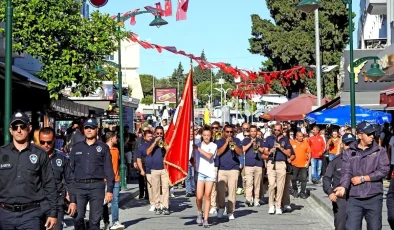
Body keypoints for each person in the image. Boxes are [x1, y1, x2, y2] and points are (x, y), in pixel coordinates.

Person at [0, 112, 58, 229]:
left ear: (29, 128)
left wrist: (53, 212)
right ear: (10, 130)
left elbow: (49, 184)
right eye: (15, 127)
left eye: (22, 127)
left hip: (31, 214)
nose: (19, 130)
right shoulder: (1, 153)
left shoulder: (40, 154)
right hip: (4, 214)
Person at [335, 122, 390, 230]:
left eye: (373, 133)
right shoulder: (349, 152)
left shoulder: (380, 151)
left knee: (375, 227)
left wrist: (363, 178)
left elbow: (384, 170)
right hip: (354, 197)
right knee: (351, 227)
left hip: (374, 196)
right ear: (360, 135)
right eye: (369, 134)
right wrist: (343, 186)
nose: (372, 136)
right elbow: (346, 171)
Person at [69, 118, 115, 230]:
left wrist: (109, 190)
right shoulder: (76, 148)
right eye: (87, 128)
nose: (89, 130)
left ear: (97, 129)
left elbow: (109, 169)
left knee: (94, 221)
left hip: (96, 187)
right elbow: (70, 170)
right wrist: (69, 190)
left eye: (92, 128)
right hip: (79, 187)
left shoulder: (103, 147)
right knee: (78, 218)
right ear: (83, 129)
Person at [39, 127, 77, 230]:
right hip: (38, 204)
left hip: (57, 203)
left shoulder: (61, 159)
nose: (46, 145)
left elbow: (70, 180)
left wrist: (73, 201)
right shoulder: (33, 158)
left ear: (54, 141)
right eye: (42, 142)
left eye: (49, 142)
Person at [323, 133, 356, 230]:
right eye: (347, 144)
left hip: (356, 197)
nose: (349, 146)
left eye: (352, 144)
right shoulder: (336, 161)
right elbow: (326, 178)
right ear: (342, 145)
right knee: (340, 225)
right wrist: (329, 192)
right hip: (341, 198)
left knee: (354, 226)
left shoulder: (360, 159)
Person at [264, 123, 292, 215]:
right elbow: (264, 151)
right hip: (271, 163)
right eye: (275, 130)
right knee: (271, 185)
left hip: (281, 163)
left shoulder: (286, 140)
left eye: (278, 130)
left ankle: (278, 206)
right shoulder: (269, 139)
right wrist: (270, 151)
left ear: (281, 130)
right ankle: (271, 205)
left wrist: (280, 147)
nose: (276, 131)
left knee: (280, 186)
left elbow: (289, 153)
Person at [216, 124, 243, 220]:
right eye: (227, 132)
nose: (229, 133)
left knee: (232, 191)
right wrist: (226, 144)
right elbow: (218, 153)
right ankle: (221, 208)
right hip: (222, 169)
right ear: (224, 132)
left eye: (231, 132)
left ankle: (231, 211)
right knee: (220, 191)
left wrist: (233, 144)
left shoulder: (237, 141)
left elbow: (240, 153)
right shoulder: (219, 141)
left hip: (234, 168)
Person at [194, 126, 217, 228]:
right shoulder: (197, 145)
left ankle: (206, 219)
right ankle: (199, 212)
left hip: (210, 173)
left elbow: (209, 156)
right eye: (204, 135)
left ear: (211, 135)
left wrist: (198, 149)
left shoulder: (213, 145)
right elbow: (192, 158)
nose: (206, 137)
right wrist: (193, 162)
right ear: (202, 136)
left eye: (208, 135)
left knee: (207, 196)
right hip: (200, 173)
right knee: (199, 197)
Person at [145, 126, 170, 215]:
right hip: (154, 169)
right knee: (155, 189)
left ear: (163, 134)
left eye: (161, 133)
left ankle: (165, 206)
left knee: (165, 188)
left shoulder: (165, 141)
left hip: (164, 169)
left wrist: (164, 144)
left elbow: (170, 151)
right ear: (155, 134)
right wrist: (155, 142)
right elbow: (147, 152)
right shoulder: (151, 142)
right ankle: (157, 206)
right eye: (157, 133)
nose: (159, 135)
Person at [104, 132, 125, 230]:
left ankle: (115, 221)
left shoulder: (116, 149)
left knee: (115, 201)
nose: (117, 139)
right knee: (103, 202)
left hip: (116, 179)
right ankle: (106, 221)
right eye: (116, 137)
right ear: (111, 138)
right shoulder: (103, 149)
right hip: (105, 180)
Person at [242, 125, 266, 207]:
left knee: (257, 183)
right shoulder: (246, 140)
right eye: (251, 131)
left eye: (254, 131)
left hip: (258, 164)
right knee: (249, 182)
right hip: (249, 164)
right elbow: (243, 150)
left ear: (256, 132)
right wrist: (250, 143)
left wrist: (256, 145)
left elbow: (263, 151)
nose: (253, 133)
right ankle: (249, 199)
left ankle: (257, 199)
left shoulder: (260, 140)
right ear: (249, 132)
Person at [136, 129, 155, 212]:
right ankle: (148, 198)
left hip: (155, 167)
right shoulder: (141, 146)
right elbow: (138, 158)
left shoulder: (155, 143)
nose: (150, 138)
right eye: (148, 137)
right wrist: (141, 169)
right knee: (147, 184)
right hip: (145, 166)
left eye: (151, 136)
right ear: (144, 137)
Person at [290, 132, 311, 199]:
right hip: (294, 164)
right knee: (293, 179)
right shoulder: (292, 143)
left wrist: (308, 162)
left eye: (302, 136)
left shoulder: (305, 143)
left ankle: (302, 192)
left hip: (303, 165)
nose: (302, 137)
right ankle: (295, 190)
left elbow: (309, 153)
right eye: (300, 136)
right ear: (296, 137)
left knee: (304, 179)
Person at [186, 128, 198, 197]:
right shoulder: (185, 141)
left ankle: (194, 189)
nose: (190, 134)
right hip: (187, 161)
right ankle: (188, 191)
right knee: (188, 177)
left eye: (192, 133)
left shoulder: (197, 141)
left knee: (194, 176)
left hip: (195, 161)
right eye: (189, 133)